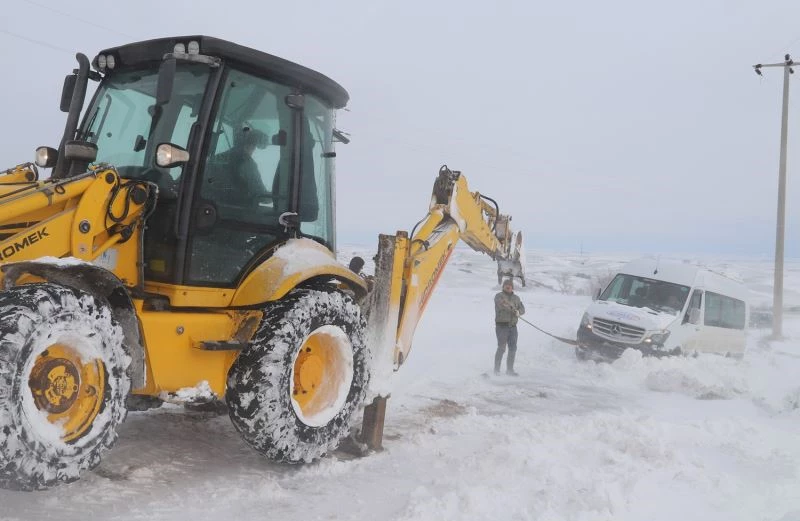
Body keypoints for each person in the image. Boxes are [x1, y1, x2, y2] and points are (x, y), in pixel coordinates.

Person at [214, 126, 270, 205]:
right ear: (251, 145)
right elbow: (261, 195)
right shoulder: (248, 165)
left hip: (217, 207)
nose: (254, 149)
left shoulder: (219, 157)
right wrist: (274, 196)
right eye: (254, 145)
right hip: (239, 212)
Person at [494, 278, 525, 376]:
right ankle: (496, 371)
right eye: (506, 285)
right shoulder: (498, 296)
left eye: (510, 286)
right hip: (502, 326)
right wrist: (513, 309)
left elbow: (522, 309)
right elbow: (503, 305)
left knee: (513, 349)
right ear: (503, 286)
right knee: (501, 348)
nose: (508, 287)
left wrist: (519, 312)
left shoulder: (517, 298)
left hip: (513, 327)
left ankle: (510, 370)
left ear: (512, 287)